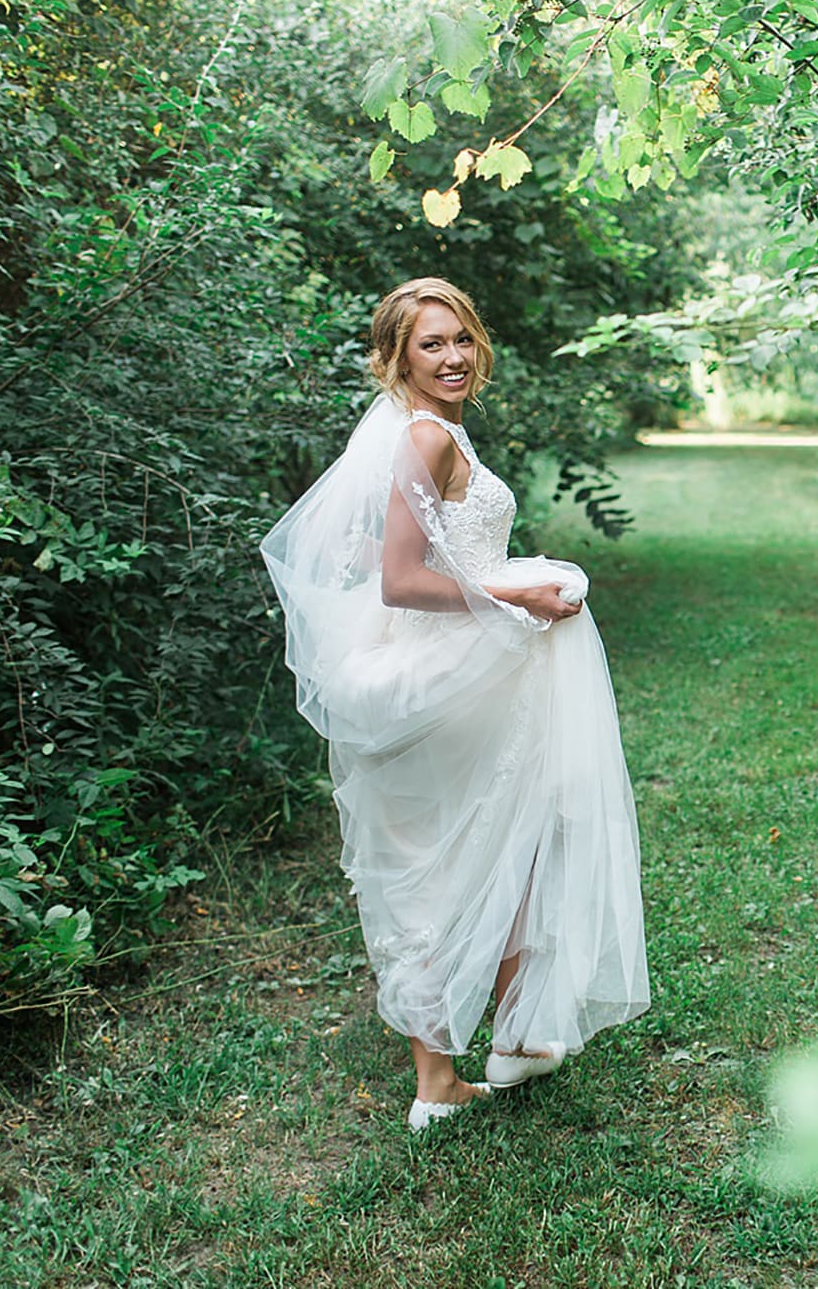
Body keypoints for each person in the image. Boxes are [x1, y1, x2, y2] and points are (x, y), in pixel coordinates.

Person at [261, 277, 649, 1131]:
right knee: (464, 855)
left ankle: (508, 1040)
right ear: (397, 356)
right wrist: (521, 600)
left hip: (470, 660)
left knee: (510, 842)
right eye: (430, 344)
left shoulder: (420, 434)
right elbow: (404, 582)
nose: (451, 357)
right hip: (456, 667)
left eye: (461, 339)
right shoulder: (426, 439)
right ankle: (440, 1077)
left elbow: (392, 547)